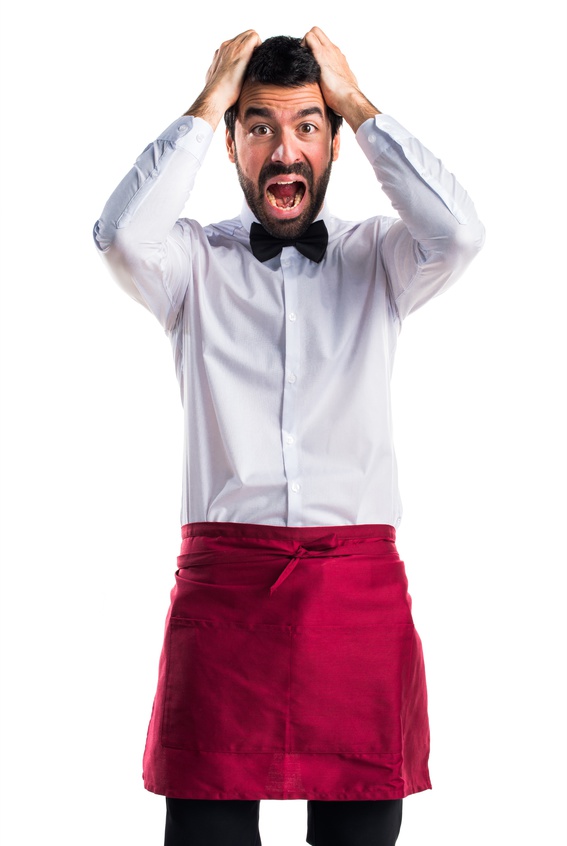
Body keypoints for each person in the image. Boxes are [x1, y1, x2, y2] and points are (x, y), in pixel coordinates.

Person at [94, 26, 484, 846]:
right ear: (233, 144)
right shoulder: (189, 266)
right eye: (261, 126)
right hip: (224, 599)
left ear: (333, 145)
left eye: (306, 126)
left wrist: (356, 104)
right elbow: (121, 236)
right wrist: (205, 104)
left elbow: (460, 234)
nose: (284, 148)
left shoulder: (379, 257)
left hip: (356, 606)